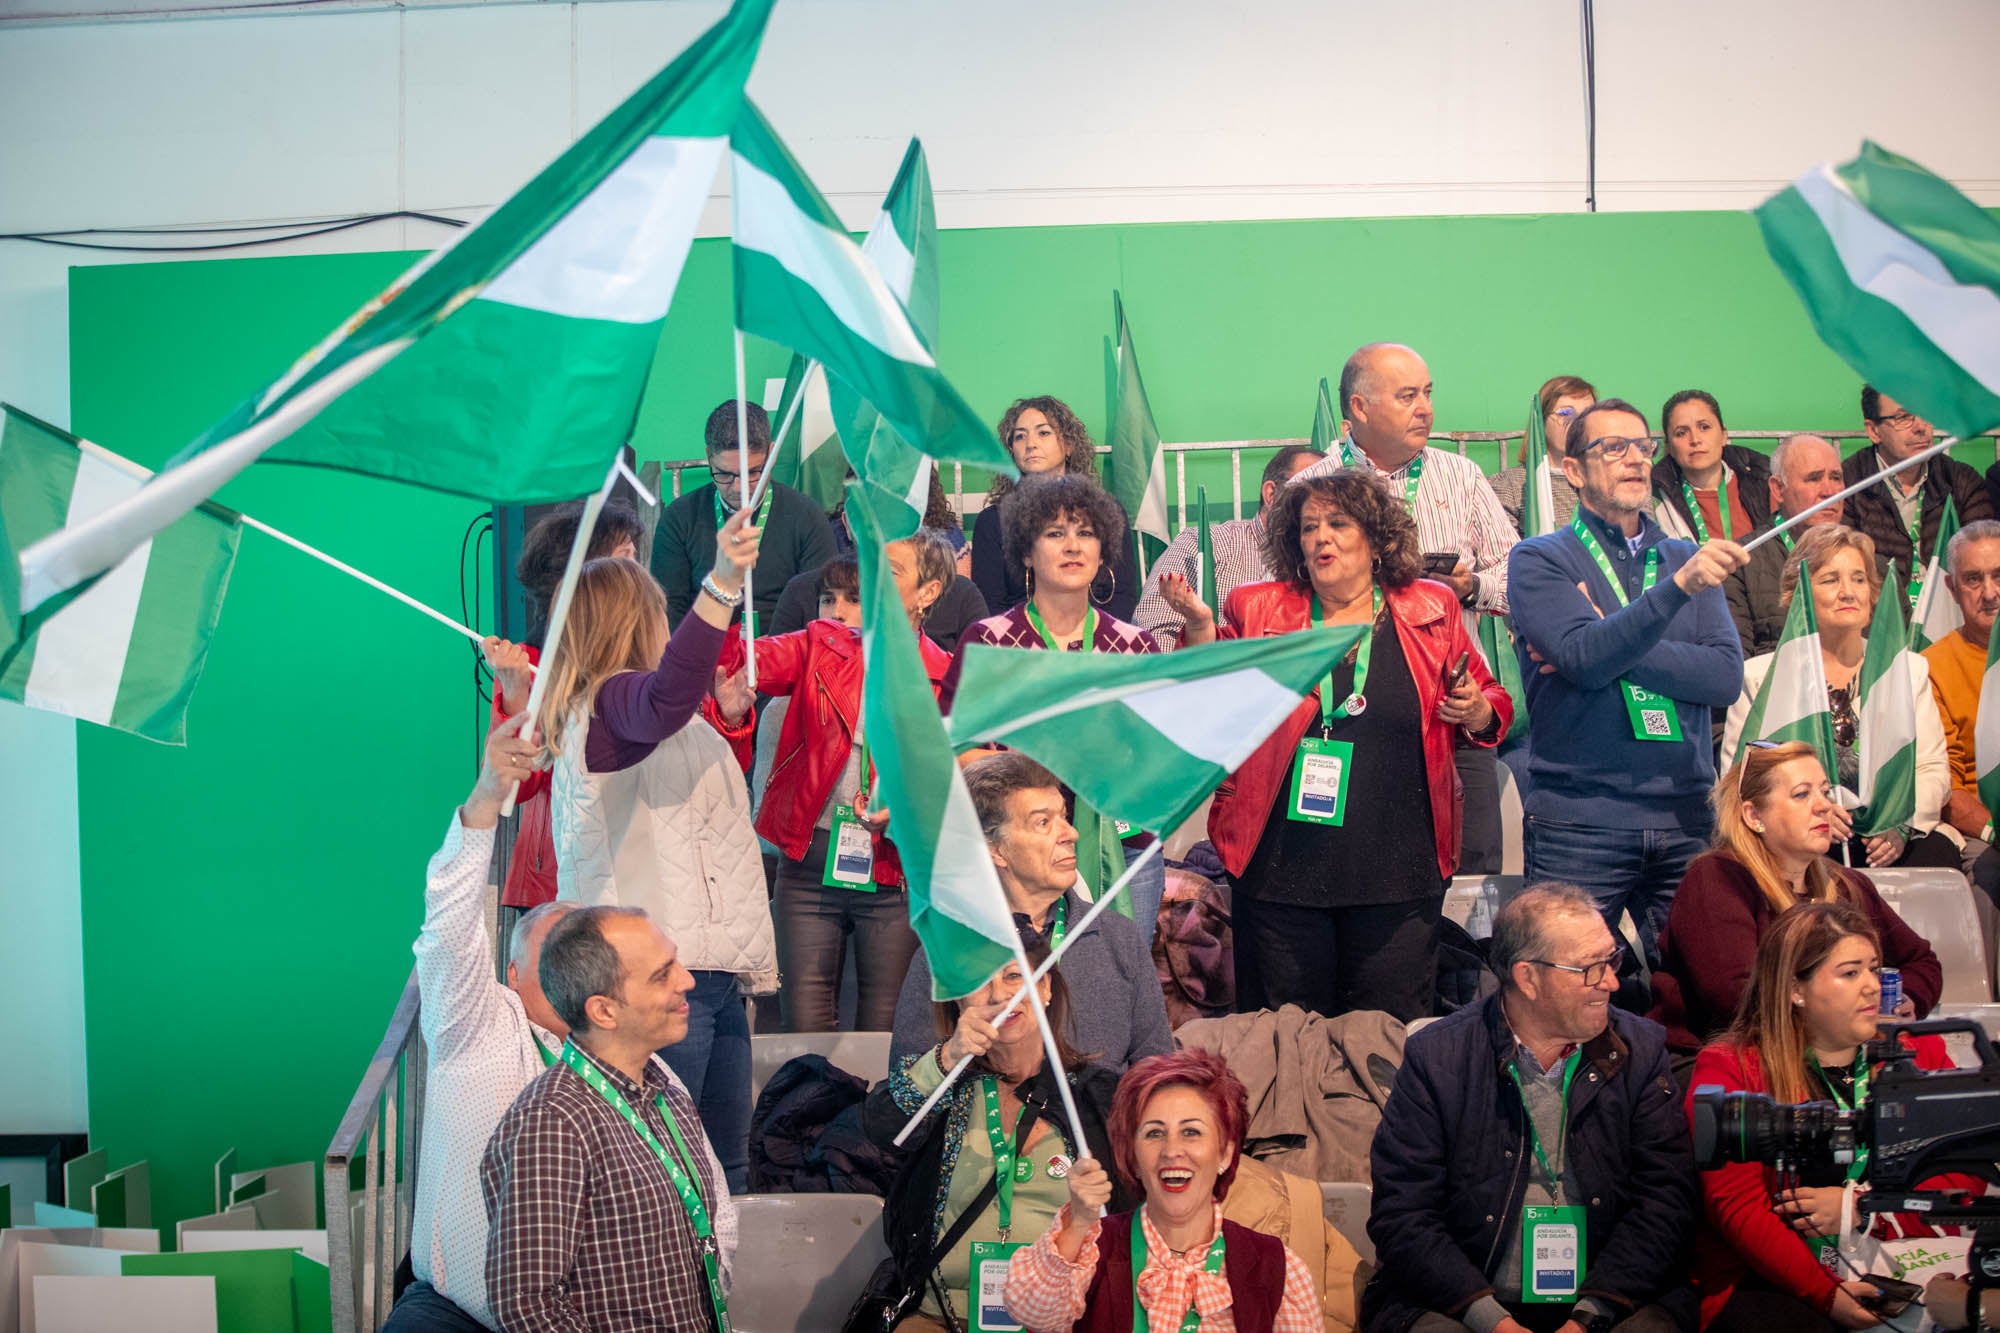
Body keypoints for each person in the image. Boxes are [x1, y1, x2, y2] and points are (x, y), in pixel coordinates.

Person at [1168, 466, 1511, 1022]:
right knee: (1285, 1043)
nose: (1320, 537)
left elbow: (1492, 700)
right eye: (1308, 528)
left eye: (1338, 523)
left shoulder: (1431, 607)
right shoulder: (1256, 609)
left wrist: (1476, 710)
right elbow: (1210, 706)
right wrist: (1203, 630)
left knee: (1385, 1045)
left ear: (1376, 539)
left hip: (1401, 873)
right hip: (1280, 870)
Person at [539, 507, 774, 1191]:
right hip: (654, 980)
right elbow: (668, 693)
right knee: (665, 1179)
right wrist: (722, 583)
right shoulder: (612, 708)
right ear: (630, 620)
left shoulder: (649, 717)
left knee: (727, 1173)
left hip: (712, 973)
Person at [1364, 883, 1698, 1333]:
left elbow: (1664, 1203)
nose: (1612, 982)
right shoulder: (1437, 1058)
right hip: (1466, 1301)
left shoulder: (1639, 1051)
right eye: (1590, 968)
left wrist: (1588, 1318)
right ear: (1528, 978)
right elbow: (1404, 1216)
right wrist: (1493, 1322)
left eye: (1612, 960)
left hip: (1609, 1298)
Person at [1508, 399, 1747, 999]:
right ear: (1573, 471)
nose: (1635, 459)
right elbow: (1585, 661)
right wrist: (1670, 599)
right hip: (1581, 820)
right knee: (1563, 1000)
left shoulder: (1687, 557)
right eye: (1612, 448)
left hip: (1686, 814)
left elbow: (1721, 677)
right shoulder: (1539, 559)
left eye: (1642, 446)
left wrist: (1609, 636)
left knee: (1706, 997)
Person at [1686, 902, 1980, 1331]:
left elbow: (1962, 1176)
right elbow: (1738, 1212)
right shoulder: (1731, 1067)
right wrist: (1824, 1295)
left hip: (1906, 1258)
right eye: (1850, 973)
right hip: (1774, 1280)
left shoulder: (1920, 1053)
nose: (1871, 987)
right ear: (1795, 989)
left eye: (1874, 970)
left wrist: (1861, 1209)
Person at [1291, 343, 1519, 874]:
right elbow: (1282, 602)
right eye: (1408, 395)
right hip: (1337, 724)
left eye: (1428, 393)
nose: (1426, 409)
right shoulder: (1308, 489)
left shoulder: (1461, 476)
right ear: (1360, 408)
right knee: (1349, 882)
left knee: (1469, 894)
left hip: (1451, 719)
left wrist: (1471, 588)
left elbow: (1519, 578)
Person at [384, 721, 580, 1333]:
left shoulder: (628, 1055)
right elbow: (447, 925)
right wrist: (488, 797)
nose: (582, 963)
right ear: (515, 971)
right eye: (563, 950)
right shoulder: (480, 1019)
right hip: (458, 1313)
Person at [728, 531, 954, 1033]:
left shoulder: (948, 678)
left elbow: (966, 780)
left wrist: (915, 802)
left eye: (890, 572)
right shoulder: (819, 643)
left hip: (896, 872)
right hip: (808, 866)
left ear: (928, 592)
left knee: (884, 1035)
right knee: (804, 1036)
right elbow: (742, 663)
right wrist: (724, 588)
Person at [482, 905, 738, 1333]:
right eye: (662, 974)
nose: (687, 981)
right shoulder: (554, 1121)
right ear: (603, 1011)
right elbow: (527, 1305)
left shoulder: (667, 1095)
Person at [865, 941, 1130, 1332]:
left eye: (1014, 975)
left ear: (1045, 988)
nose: (1000, 994)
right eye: (978, 981)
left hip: (1060, 1318)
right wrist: (948, 1057)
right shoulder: (945, 1082)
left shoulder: (1096, 1096)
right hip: (943, 1316)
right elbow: (883, 1128)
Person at [948, 474, 1168, 933]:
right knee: (1028, 996)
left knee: (1114, 990)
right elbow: (952, 748)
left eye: (1085, 533)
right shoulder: (988, 641)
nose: (1073, 546)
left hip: (1126, 849)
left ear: (1104, 550)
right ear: (1026, 553)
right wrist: (1034, 765)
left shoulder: (1137, 646)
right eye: (1055, 533)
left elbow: (1157, 758)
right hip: (1019, 851)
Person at [482, 502, 720, 917]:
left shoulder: (655, 660)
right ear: (588, 577)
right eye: (625, 559)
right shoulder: (531, 662)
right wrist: (516, 696)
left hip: (640, 866)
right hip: (561, 873)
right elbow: (516, 786)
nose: (639, 574)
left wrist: (731, 718)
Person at [1650, 741, 1941, 1059]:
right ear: (1753, 815)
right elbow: (1736, 999)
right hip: (1726, 1062)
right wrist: (1845, 1014)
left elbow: (1922, 962)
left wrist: (1905, 999)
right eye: (1802, 794)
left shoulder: (1846, 884)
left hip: (1831, 1054)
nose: (1823, 807)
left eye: (1825, 792)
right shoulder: (1717, 878)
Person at [1004, 1049, 1329, 1333]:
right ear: (1131, 1156)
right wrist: (1078, 1222)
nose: (1172, 1150)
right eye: (1154, 1133)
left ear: (1225, 1153)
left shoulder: (1278, 1268)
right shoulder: (1089, 1252)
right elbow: (1033, 1314)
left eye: (1191, 1132)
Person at [891, 753, 1173, 1076]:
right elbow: (903, 1097)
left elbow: (1159, 1075)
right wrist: (949, 1055)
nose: (1070, 834)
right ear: (995, 850)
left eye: (1064, 817)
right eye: (1043, 822)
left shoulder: (1118, 938)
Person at [1720, 525, 1961, 870]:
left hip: (1890, 833)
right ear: (1798, 593)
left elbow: (1931, 769)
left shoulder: (1908, 670)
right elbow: (1740, 780)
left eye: (1859, 579)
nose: (1848, 592)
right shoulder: (1760, 678)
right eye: (1831, 580)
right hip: (1798, 839)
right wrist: (1811, 812)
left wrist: (1900, 826)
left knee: (1937, 856)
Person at [649, 399, 837, 626]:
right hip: (705, 652)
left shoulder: (807, 517)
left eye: (752, 473)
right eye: (724, 474)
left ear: (772, 455)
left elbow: (820, 613)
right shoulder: (679, 519)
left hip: (785, 651)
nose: (738, 488)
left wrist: (771, 651)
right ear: (709, 456)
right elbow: (668, 613)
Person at [1133, 443, 1324, 649]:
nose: (1320, 504)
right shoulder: (1205, 545)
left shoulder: (1331, 559)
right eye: (1308, 490)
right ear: (1271, 494)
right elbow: (1153, 639)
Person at [972, 396, 1140, 622]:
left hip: (1099, 646)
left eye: (1043, 432)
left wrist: (1094, 641)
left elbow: (1123, 595)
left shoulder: (1107, 512)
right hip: (1022, 648)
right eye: (1020, 436)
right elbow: (991, 607)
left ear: (1069, 445)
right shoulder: (992, 522)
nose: (1030, 444)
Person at [1842, 385, 1993, 604]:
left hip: (1951, 613)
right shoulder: (1849, 483)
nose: (1921, 427)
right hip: (1878, 616)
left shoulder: (1960, 480)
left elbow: (1984, 557)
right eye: (1904, 417)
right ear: (1874, 431)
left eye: (1927, 414)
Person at [1918, 520, 2000, 907]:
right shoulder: (1929, 667)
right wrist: (1993, 832)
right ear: (1951, 588)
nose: (1990, 593)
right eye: (1973, 579)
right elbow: (1946, 785)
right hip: (1982, 835)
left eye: (1999, 575)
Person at [1724, 434, 1845, 659]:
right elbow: (1737, 665)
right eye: (1814, 478)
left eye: (1836, 477)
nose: (1829, 491)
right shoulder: (1741, 563)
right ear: (1778, 489)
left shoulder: (1869, 560)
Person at [1650, 390, 1770, 544]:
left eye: (1704, 427)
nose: (1695, 439)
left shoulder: (1764, 483)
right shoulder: (1654, 498)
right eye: (1681, 433)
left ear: (1724, 435)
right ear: (1670, 447)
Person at [1489, 375, 1597, 536]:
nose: (1578, 424)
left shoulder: (1614, 479)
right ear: (1541, 421)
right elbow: (1503, 553)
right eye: (1566, 413)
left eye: (1588, 415)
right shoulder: (1510, 486)